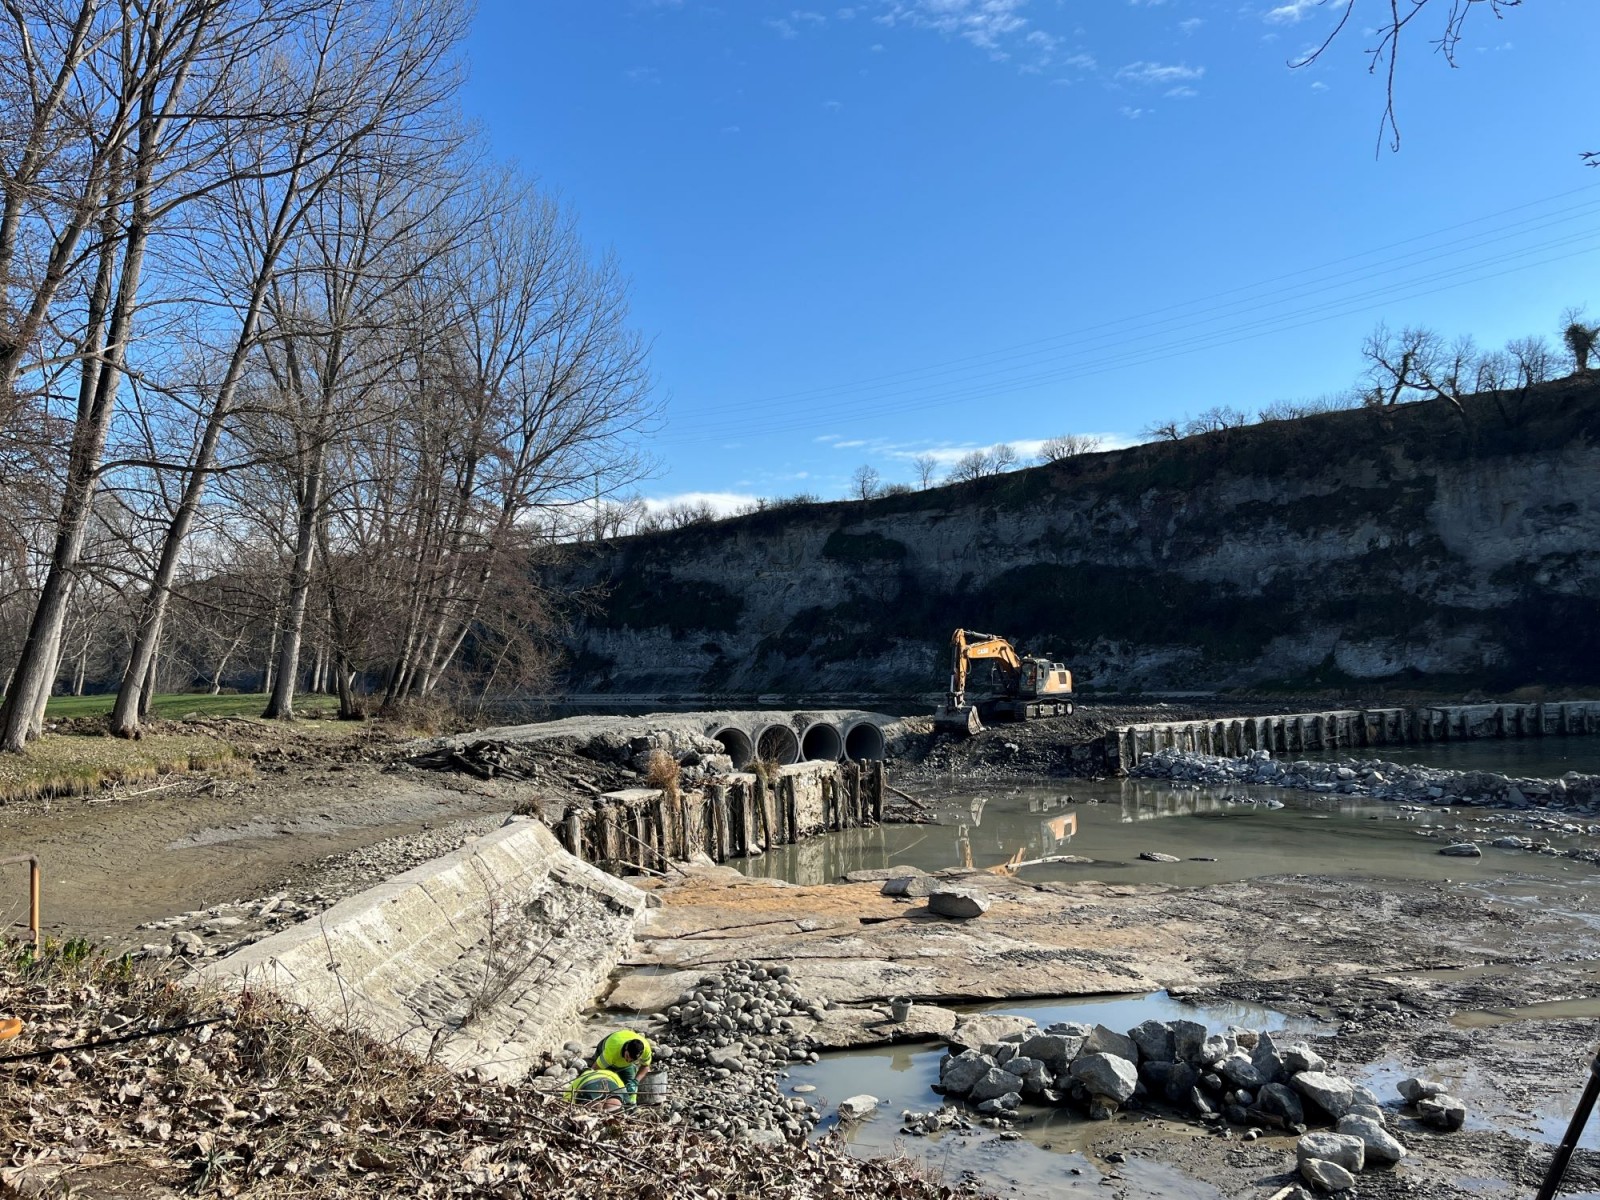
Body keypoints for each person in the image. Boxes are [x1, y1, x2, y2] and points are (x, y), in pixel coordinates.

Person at [592, 1030, 652, 1105]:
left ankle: (631, 1105)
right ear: (626, 1048)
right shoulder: (611, 1052)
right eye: (627, 1056)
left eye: (632, 1060)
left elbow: (645, 1066)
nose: (628, 1060)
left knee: (630, 1089)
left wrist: (635, 1081)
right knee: (606, 1083)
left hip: (624, 1066)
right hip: (606, 1048)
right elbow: (595, 1069)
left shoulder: (646, 1050)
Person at [563, 1066, 627, 1110]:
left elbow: (567, 1100)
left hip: (588, 1088)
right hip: (610, 1085)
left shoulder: (578, 1079)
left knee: (593, 1111)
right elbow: (624, 1091)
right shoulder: (609, 1072)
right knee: (614, 1106)